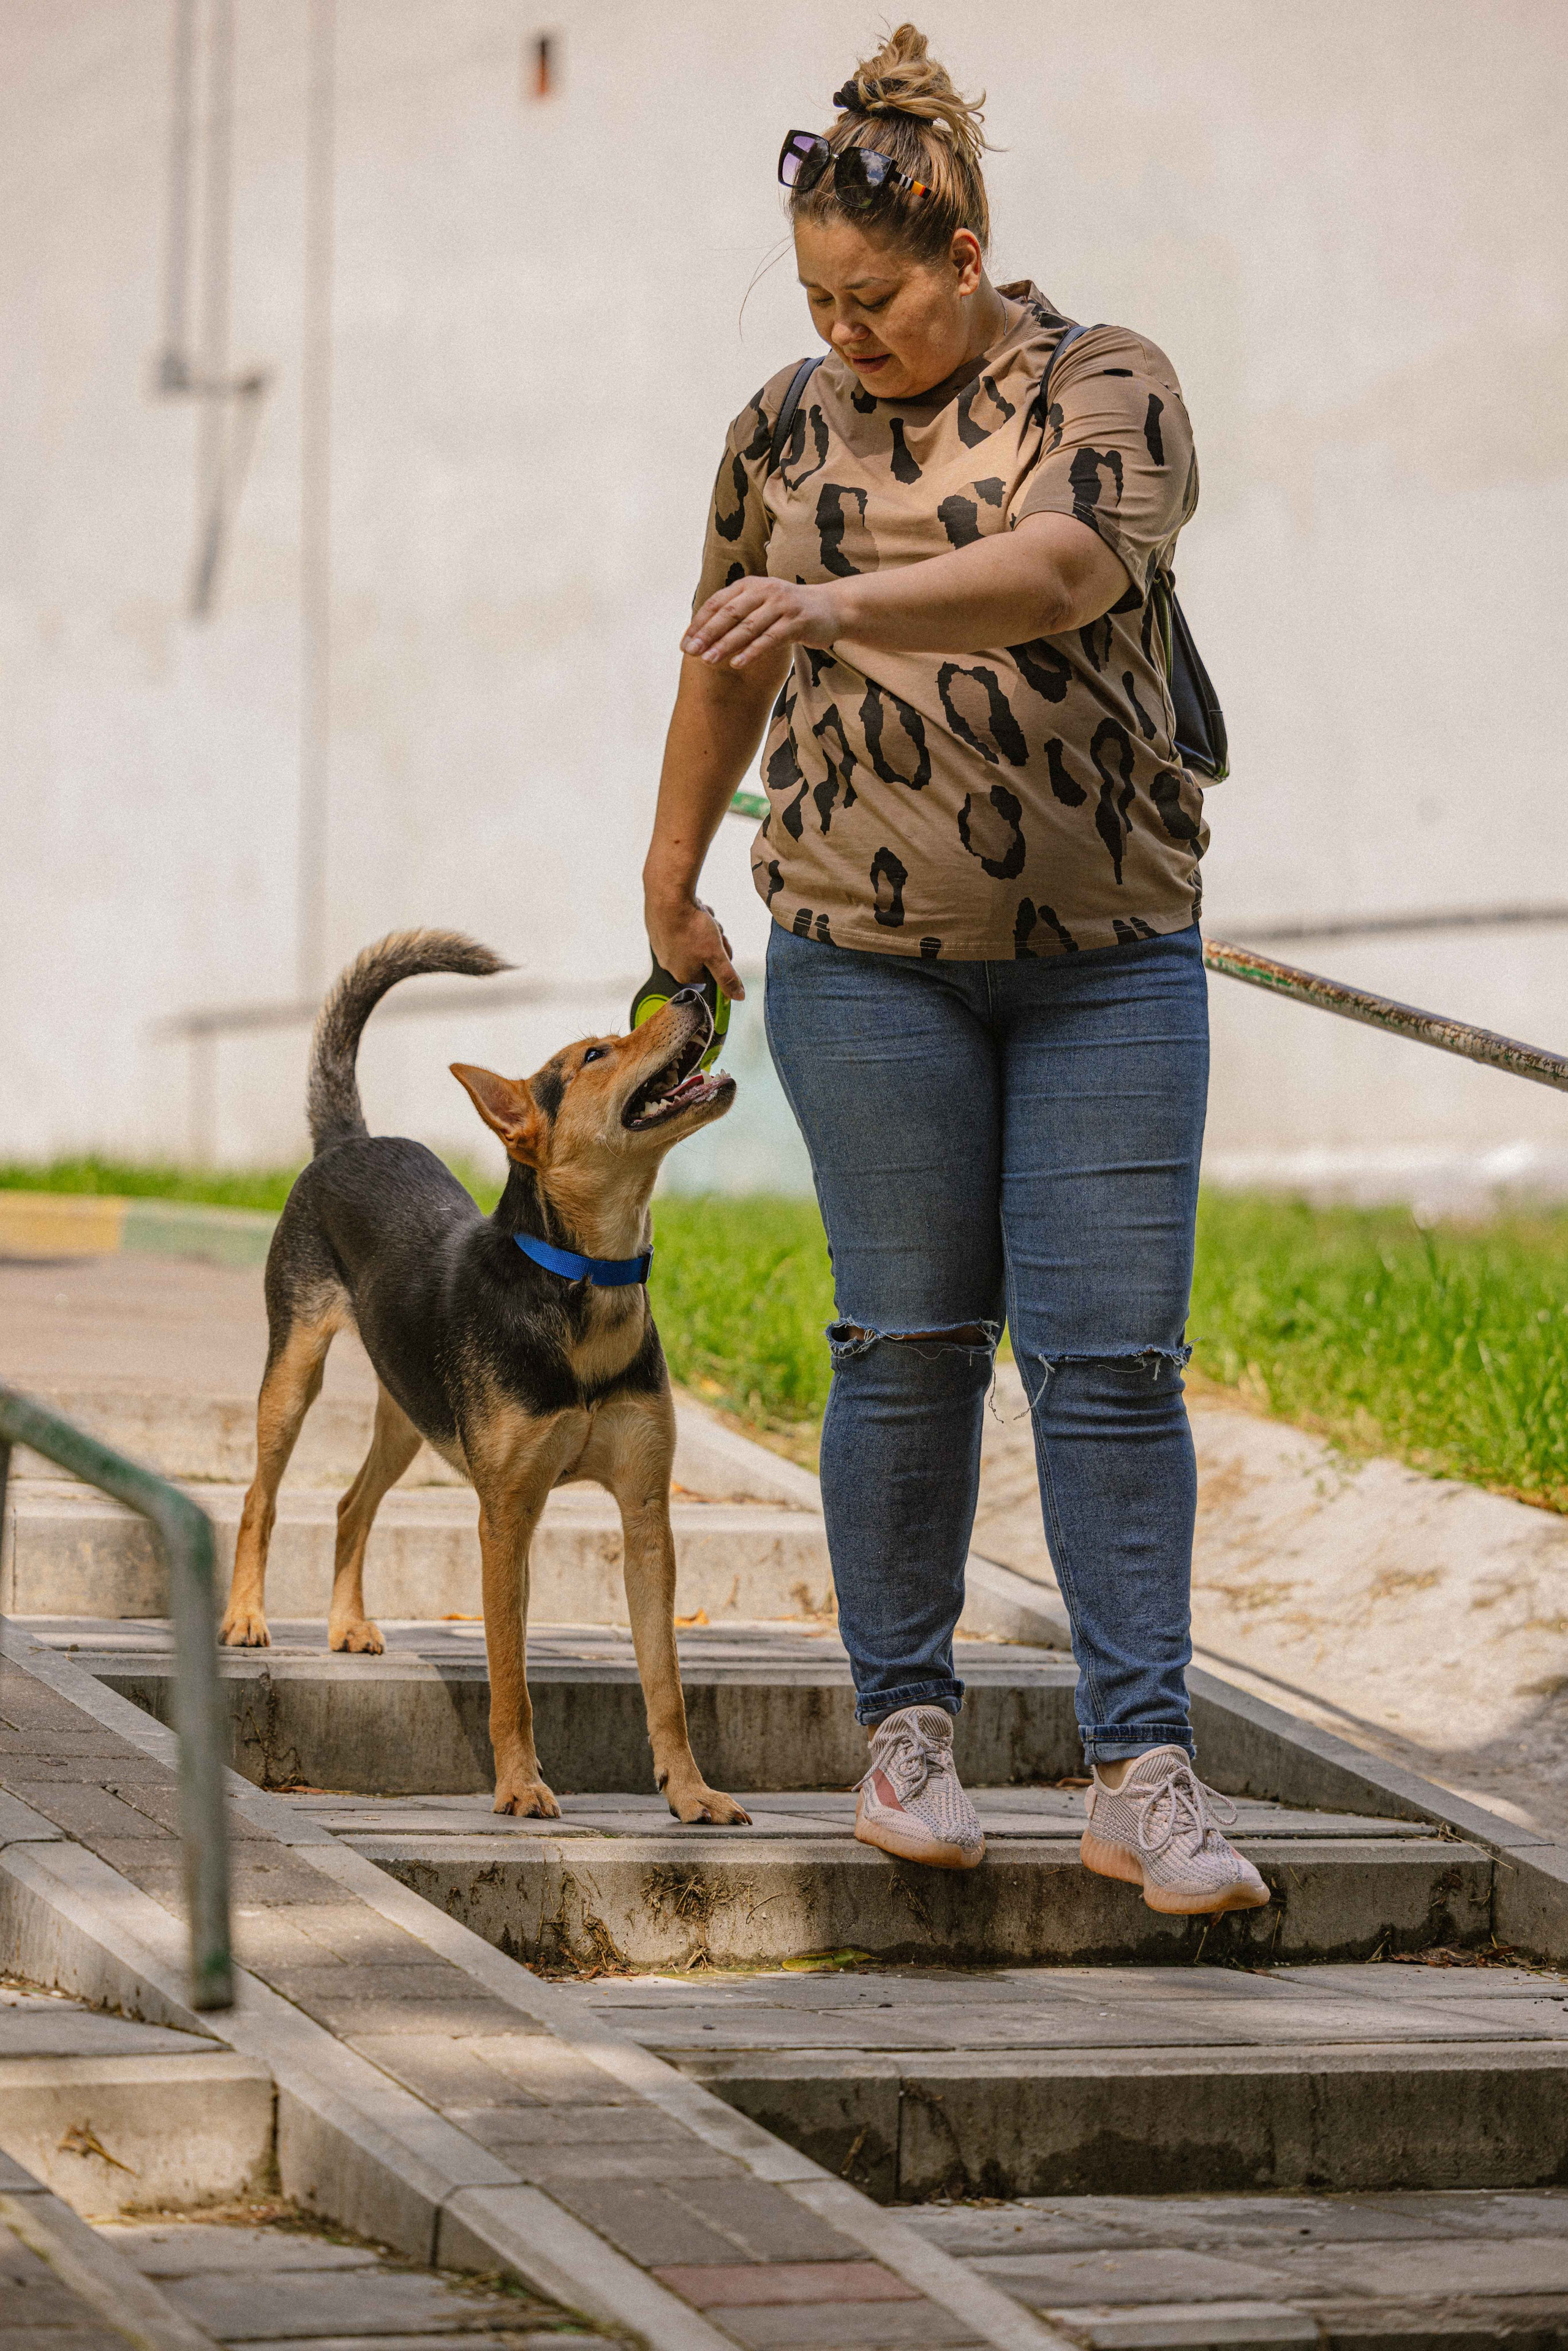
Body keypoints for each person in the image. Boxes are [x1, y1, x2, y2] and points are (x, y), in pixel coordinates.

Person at [641, 25, 1267, 1917]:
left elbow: (1068, 572)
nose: (849, 332)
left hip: (1108, 964)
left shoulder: (1107, 384)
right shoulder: (776, 426)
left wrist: (839, 598)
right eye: (824, 299)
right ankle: (903, 1735)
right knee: (904, 1346)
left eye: (882, 298)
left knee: (1109, 1361)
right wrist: (669, 873)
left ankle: (1140, 1769)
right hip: (862, 957)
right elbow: (728, 653)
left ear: (969, 253)